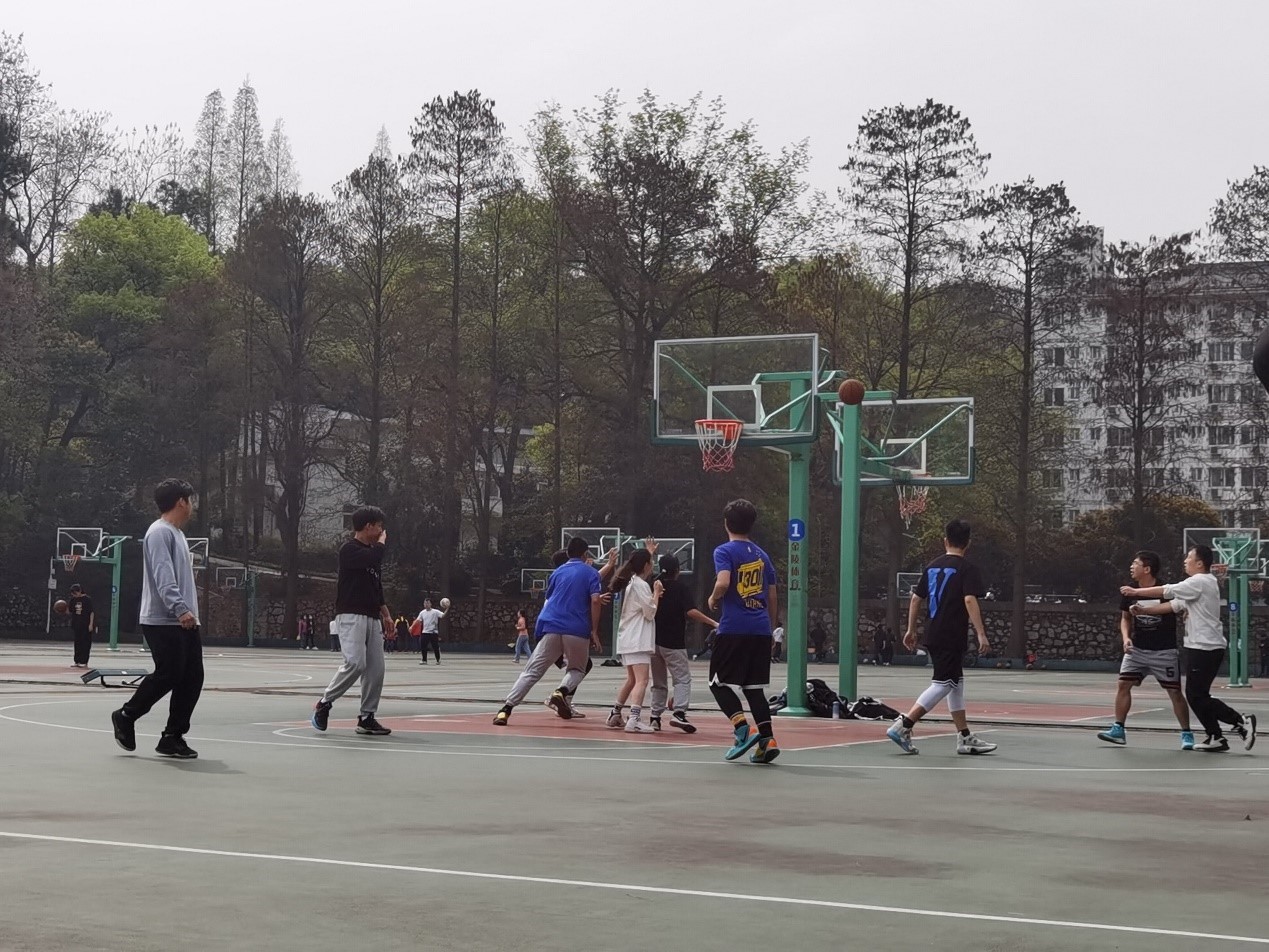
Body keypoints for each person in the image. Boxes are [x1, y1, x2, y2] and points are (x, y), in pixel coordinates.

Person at [1121, 545, 1257, 753]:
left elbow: (1167, 590)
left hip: (1206, 647)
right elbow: (1172, 606)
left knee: (1196, 695)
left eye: (1189, 557)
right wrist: (1143, 611)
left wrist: (1135, 592)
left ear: (1200, 563)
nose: (1185, 560)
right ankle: (1216, 736)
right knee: (1197, 694)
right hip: (1201, 646)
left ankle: (1240, 721)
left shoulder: (1200, 581)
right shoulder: (1197, 586)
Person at [110, 478, 204, 759]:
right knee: (170, 673)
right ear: (181, 502)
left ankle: (172, 736)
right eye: (190, 500)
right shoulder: (159, 532)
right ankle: (126, 715)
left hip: (184, 619)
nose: (192, 506)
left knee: (192, 677)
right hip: (163, 619)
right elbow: (163, 575)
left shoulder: (177, 534)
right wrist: (180, 608)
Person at [886, 519, 997, 756]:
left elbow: (916, 598)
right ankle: (904, 725)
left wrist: (910, 629)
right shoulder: (967, 568)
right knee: (943, 683)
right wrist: (981, 633)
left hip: (933, 631)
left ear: (945, 540)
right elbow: (969, 599)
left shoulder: (932, 566)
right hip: (951, 634)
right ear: (968, 543)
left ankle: (964, 737)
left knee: (956, 682)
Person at [493, 536, 602, 725]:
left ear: (568, 553)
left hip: (550, 625)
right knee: (578, 669)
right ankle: (561, 692)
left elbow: (551, 599)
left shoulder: (557, 573)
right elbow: (595, 600)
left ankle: (505, 710)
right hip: (576, 628)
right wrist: (594, 630)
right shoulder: (591, 573)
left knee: (531, 672)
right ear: (585, 554)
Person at [707, 498, 781, 765]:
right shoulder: (763, 556)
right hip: (760, 629)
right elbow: (772, 596)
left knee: (717, 683)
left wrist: (713, 598)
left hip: (734, 628)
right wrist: (770, 629)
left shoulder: (724, 551)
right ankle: (767, 741)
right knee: (753, 688)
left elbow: (723, 581)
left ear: (726, 523)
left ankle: (742, 729)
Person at [310, 506, 394, 737]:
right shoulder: (349, 550)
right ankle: (324, 703)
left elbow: (376, 588)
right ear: (368, 526)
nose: (382, 531)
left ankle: (367, 717)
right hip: (351, 615)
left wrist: (386, 615)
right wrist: (381, 544)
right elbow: (373, 557)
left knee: (376, 669)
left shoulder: (372, 554)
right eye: (379, 526)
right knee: (356, 663)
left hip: (372, 617)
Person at [1096, 551, 1194, 749]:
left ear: (1147, 569)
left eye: (1135, 563)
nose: (1131, 567)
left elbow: (1182, 606)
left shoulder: (1165, 590)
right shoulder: (1129, 591)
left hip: (1163, 651)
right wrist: (1126, 638)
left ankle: (1187, 733)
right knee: (1123, 684)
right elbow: (1125, 618)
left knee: (1174, 692)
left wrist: (1187, 613)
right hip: (1137, 650)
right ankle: (1118, 729)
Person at [649, 552, 712, 733]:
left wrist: (650, 553)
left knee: (658, 681)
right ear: (677, 570)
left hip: (653, 641)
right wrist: (713, 622)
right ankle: (679, 712)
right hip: (673, 642)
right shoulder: (680, 588)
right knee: (682, 679)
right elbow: (691, 611)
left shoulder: (654, 585)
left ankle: (655, 717)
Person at [605, 549, 662, 732]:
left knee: (632, 679)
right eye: (651, 561)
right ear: (646, 565)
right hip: (637, 639)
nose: (652, 565)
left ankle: (615, 713)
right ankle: (634, 719)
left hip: (628, 638)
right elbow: (650, 612)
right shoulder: (641, 585)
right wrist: (656, 593)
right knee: (642, 680)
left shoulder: (633, 583)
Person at [67, 583, 96, 668]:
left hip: (85, 624)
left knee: (85, 643)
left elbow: (91, 612)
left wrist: (91, 624)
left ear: (79, 591)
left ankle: (84, 661)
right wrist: (62, 608)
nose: (74, 595)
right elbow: (69, 611)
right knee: (77, 643)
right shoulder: (73, 600)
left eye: (75, 593)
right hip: (76, 624)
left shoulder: (87, 600)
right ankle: (77, 660)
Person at [416, 598, 447, 665]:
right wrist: (412, 627)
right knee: (423, 646)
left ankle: (438, 660)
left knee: (435, 647)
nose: (426, 604)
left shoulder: (435, 612)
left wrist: (447, 609)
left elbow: (442, 615)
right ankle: (424, 660)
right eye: (425, 603)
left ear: (431, 604)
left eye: (428, 603)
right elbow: (418, 621)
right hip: (425, 632)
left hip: (433, 632)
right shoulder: (422, 612)